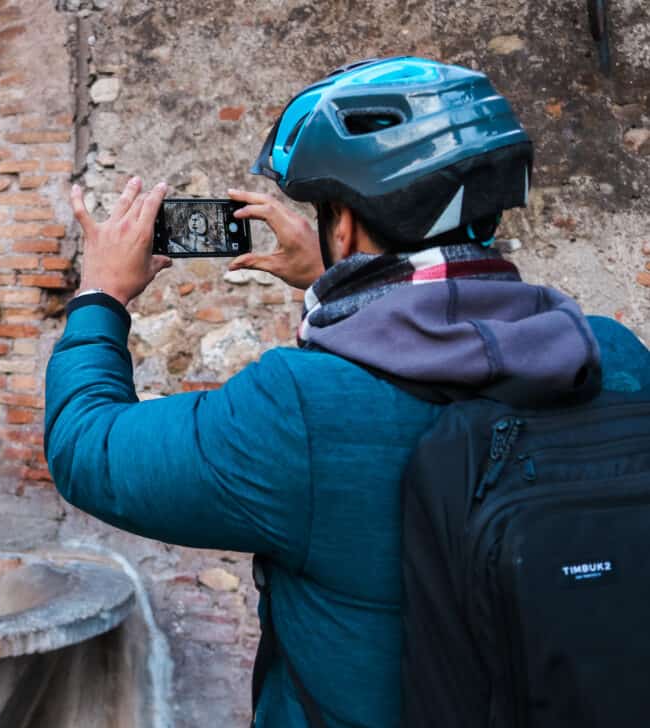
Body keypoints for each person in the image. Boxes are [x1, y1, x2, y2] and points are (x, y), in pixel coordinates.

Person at [44, 57, 650, 727]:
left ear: (346, 226)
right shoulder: (612, 355)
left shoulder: (297, 408)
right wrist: (334, 283)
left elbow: (86, 448)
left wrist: (102, 294)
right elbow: (456, 328)